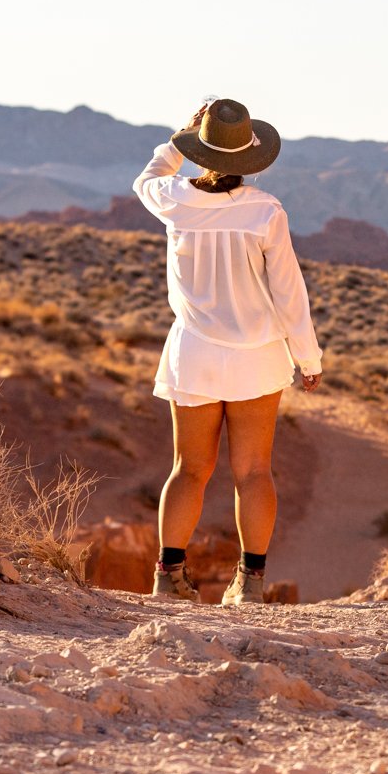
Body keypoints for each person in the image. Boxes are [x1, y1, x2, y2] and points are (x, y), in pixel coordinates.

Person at [132, 98, 322, 605]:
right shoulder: (265, 211)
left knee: (188, 469)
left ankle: (167, 577)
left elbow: (146, 177)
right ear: (250, 157)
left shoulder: (174, 199)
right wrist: (308, 358)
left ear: (201, 150)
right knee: (254, 471)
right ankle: (250, 583)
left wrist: (180, 138)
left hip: (194, 351)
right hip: (256, 356)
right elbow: (289, 291)